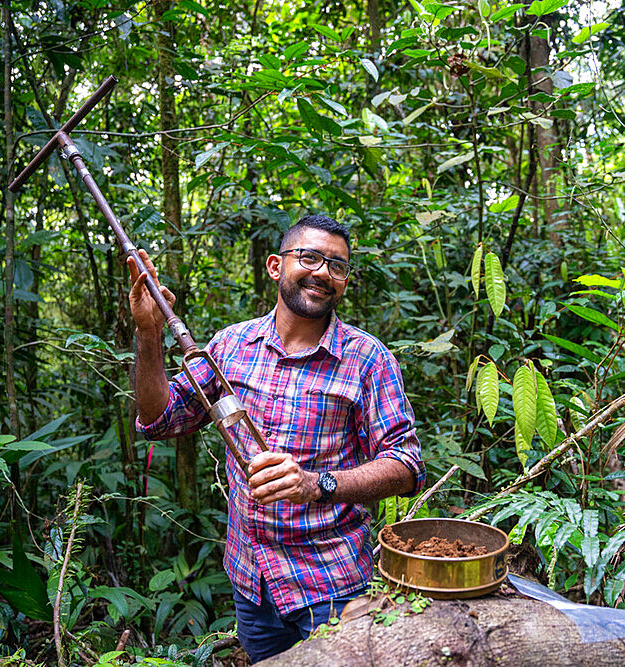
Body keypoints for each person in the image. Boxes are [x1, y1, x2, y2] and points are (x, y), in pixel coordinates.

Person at [128, 214, 424, 662]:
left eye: (338, 266)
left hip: (332, 586)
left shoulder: (368, 359)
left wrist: (314, 484)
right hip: (252, 583)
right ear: (275, 266)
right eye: (309, 257)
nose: (323, 272)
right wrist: (148, 333)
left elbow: (406, 464)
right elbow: (160, 418)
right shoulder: (230, 346)